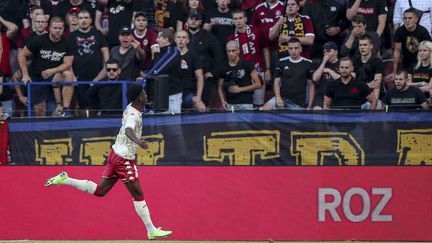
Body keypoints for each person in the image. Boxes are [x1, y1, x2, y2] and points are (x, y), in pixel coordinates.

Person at [44, 84, 173, 240]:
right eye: (144, 93)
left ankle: (66, 179)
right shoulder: (133, 114)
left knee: (101, 191)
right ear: (140, 97)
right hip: (123, 158)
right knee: (137, 193)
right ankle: (151, 230)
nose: (146, 95)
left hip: (115, 153)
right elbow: (128, 130)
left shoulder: (131, 107)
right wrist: (138, 142)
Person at [18, 17, 75, 117]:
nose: (58, 30)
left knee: (68, 74)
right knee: (40, 111)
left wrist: (53, 70)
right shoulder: (39, 40)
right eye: (55, 28)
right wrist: (25, 75)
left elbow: (68, 64)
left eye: (60, 28)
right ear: (49, 28)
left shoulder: (67, 42)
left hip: (54, 76)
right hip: (37, 77)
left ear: (63, 29)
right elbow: (22, 55)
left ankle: (66, 109)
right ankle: (39, 132)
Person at [69, 9, 109, 113]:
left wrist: (105, 71)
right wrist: (72, 76)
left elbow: (106, 54)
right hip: (79, 77)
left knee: (96, 108)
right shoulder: (71, 36)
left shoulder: (98, 34)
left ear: (91, 20)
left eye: (86, 18)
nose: (83, 20)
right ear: (77, 20)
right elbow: (68, 59)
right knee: (81, 108)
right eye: (81, 18)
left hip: (97, 76)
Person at [262, 37, 315, 110]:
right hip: (282, 99)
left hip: (298, 103)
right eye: (291, 48)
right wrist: (278, 98)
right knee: (265, 108)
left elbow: (311, 85)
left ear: (300, 49)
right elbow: (276, 82)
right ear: (288, 49)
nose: (293, 51)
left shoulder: (308, 63)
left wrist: (310, 105)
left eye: (296, 48)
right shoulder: (281, 62)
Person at [218, 41, 261, 110]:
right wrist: (223, 101)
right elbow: (220, 87)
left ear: (238, 51)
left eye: (233, 51)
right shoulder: (223, 67)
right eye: (228, 51)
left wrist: (240, 89)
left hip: (246, 103)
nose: (231, 53)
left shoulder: (247, 64)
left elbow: (258, 84)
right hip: (230, 104)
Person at [392, 8, 431, 77]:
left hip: (421, 64)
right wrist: (394, 71)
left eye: (410, 18)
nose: (407, 21)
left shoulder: (423, 31)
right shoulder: (399, 31)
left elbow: (430, 50)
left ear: (416, 20)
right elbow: (397, 51)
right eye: (405, 18)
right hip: (406, 63)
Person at [175, 30, 206, 112]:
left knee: (201, 107)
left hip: (187, 93)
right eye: (178, 37)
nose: (181, 39)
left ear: (188, 40)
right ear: (175, 39)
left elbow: (200, 77)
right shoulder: (170, 54)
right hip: (173, 93)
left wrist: (198, 98)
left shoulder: (193, 56)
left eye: (183, 37)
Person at [311, 41, 340, 109]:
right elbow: (315, 78)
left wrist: (329, 71)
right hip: (321, 96)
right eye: (324, 52)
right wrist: (324, 62)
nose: (326, 54)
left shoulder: (341, 64)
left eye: (328, 51)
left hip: (335, 96)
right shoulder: (321, 64)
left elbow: (342, 79)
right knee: (317, 113)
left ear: (336, 52)